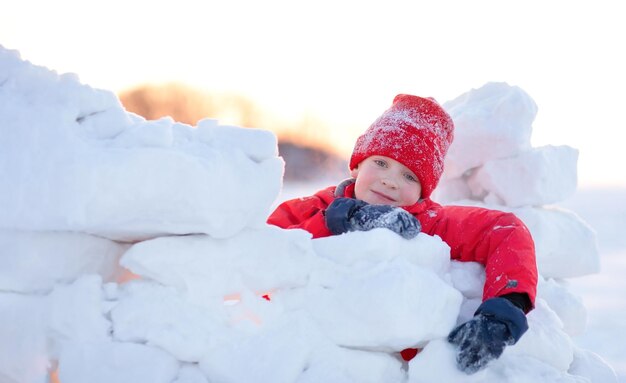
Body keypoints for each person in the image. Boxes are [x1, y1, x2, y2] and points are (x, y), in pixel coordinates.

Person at [267, 94, 538, 374]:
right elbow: (260, 259)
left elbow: (506, 231)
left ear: (424, 190)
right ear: (357, 164)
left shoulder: (432, 223)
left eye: (410, 176)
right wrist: (341, 220)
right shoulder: (309, 210)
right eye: (381, 163)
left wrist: (504, 312)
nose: (390, 180)